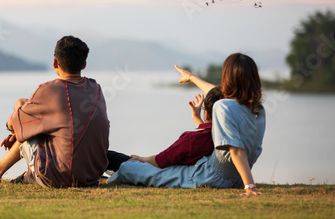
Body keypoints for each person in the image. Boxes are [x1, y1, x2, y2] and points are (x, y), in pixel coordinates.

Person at [107, 53, 265, 195]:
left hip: (210, 177)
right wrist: (191, 77)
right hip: (236, 180)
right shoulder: (257, 110)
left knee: (129, 168)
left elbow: (236, 150)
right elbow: (216, 93)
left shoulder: (223, 106)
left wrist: (250, 187)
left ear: (227, 79)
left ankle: (109, 175)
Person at [0, 36, 110, 187]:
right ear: (84, 64)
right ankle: (23, 175)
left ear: (55, 63)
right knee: (31, 118)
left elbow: (13, 122)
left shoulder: (50, 90)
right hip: (91, 175)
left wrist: (12, 131)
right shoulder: (95, 89)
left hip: (59, 178)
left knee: (22, 110)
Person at [106, 87, 222, 171]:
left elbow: (161, 160)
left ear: (206, 114)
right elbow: (206, 136)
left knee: (113, 158)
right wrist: (197, 119)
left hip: (166, 173)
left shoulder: (191, 139)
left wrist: (139, 158)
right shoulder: (225, 136)